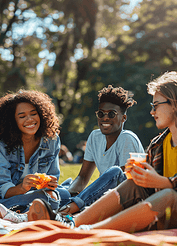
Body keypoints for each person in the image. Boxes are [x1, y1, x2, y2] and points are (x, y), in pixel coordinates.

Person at [31, 71, 177, 233]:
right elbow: (147, 189)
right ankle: (72, 223)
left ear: (176, 103)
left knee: (168, 195)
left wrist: (165, 182)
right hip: (162, 214)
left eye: (156, 105)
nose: (152, 112)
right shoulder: (158, 144)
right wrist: (142, 177)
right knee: (134, 183)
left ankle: (89, 231)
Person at [57, 85, 144, 215]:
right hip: (100, 196)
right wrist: (67, 195)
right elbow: (82, 178)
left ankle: (68, 209)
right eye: (101, 113)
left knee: (114, 171)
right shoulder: (95, 137)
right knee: (60, 191)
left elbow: (124, 184)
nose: (105, 118)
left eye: (111, 114)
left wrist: (78, 200)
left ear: (123, 118)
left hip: (126, 199)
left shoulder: (127, 138)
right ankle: (51, 206)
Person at [0, 90, 71, 216]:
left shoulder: (51, 140)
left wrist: (51, 183)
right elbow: (3, 187)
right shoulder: (2, 145)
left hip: (38, 195)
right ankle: (23, 211)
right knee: (48, 200)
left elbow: (52, 176)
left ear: (41, 114)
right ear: (12, 121)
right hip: (5, 198)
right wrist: (22, 188)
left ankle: (16, 214)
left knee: (63, 195)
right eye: (22, 116)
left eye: (33, 114)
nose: (30, 120)